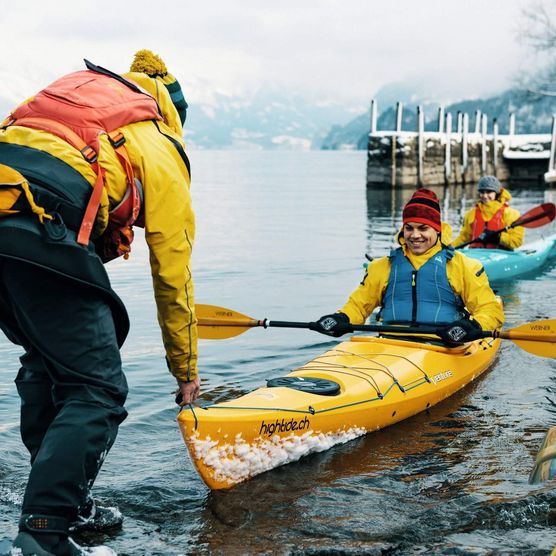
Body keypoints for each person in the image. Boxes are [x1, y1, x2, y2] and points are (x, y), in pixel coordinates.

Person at [0, 50, 198, 555]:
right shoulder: (157, 139)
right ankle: (45, 531)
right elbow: (172, 270)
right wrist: (185, 367)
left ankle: (72, 505)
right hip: (39, 235)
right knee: (97, 391)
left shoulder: (69, 94)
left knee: (46, 365)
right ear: (172, 110)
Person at [311, 188, 504, 343]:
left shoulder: (462, 266)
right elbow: (358, 306)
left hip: (444, 346)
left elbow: (490, 309)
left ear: (437, 230)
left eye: (423, 228)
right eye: (409, 228)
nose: (414, 235)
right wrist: (341, 319)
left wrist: (473, 326)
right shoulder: (382, 267)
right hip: (391, 344)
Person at [452, 175, 524, 250]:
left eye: (489, 192)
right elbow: (463, 237)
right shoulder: (471, 214)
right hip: (475, 255)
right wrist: (448, 247)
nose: (485, 196)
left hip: (501, 254)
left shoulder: (511, 214)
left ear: (496, 193)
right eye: (482, 192)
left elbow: (517, 241)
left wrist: (499, 237)